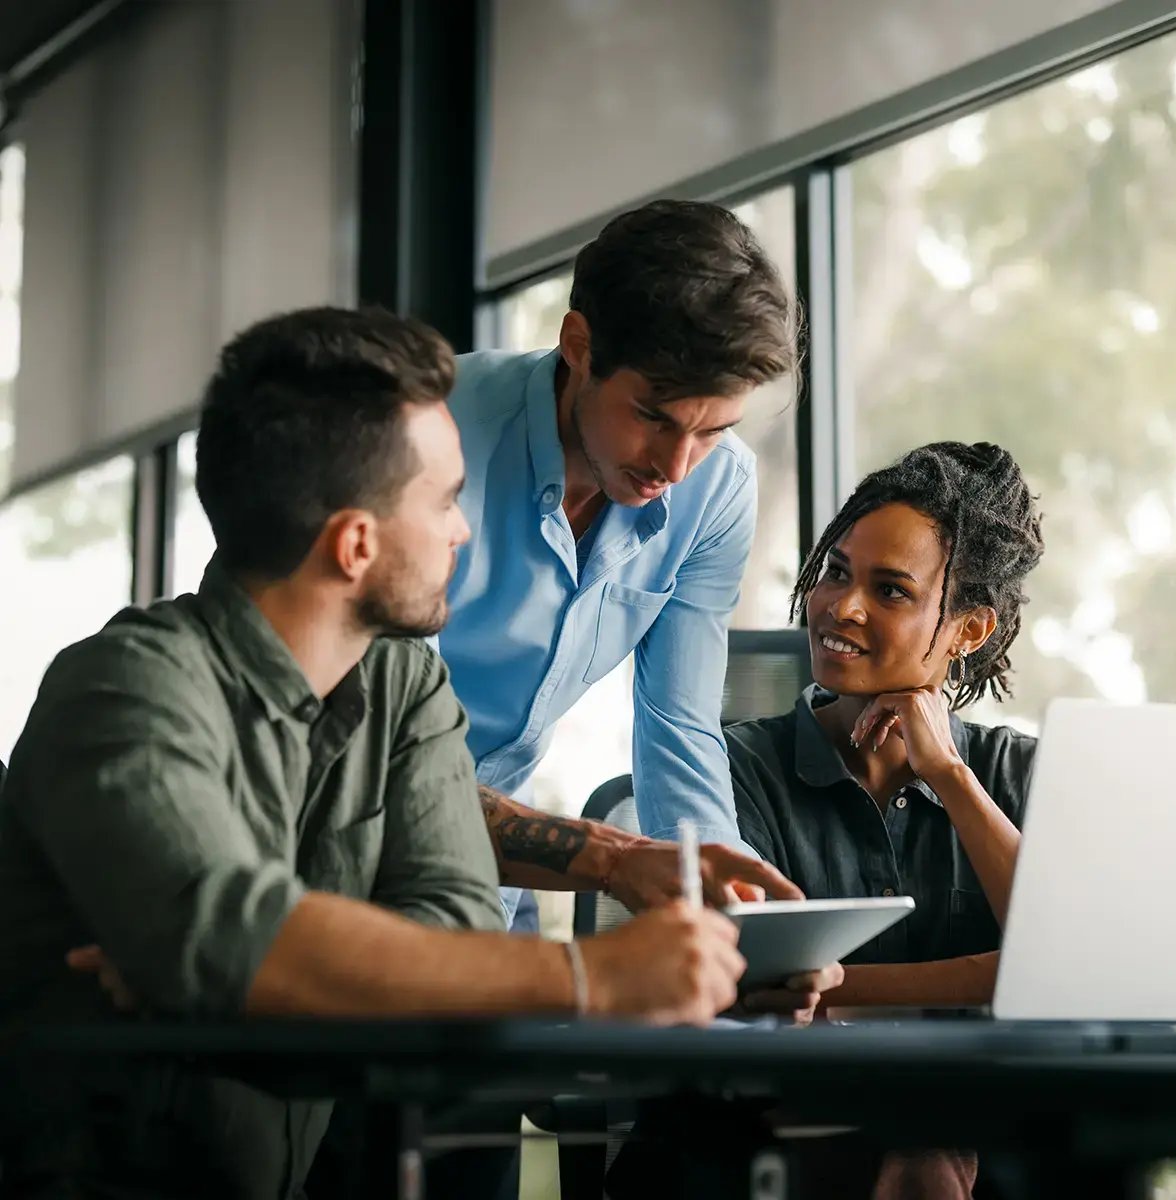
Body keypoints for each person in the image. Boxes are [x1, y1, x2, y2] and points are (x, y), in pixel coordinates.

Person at [0, 308, 838, 1200]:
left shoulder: (405, 689)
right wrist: (583, 975)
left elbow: (461, 937)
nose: (463, 532)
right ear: (355, 543)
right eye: (443, 501)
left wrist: (242, 980)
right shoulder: (122, 688)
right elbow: (259, 942)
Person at [440, 199, 801, 928]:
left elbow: (680, 728)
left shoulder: (718, 485)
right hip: (334, 845)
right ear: (579, 343)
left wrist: (730, 917)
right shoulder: (430, 434)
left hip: (495, 870)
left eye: (713, 430)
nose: (676, 464)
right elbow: (384, 751)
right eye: (654, 417)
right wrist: (610, 857)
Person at [728, 440, 1046, 1012]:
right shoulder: (739, 768)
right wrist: (994, 977)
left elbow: (1076, 967)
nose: (842, 607)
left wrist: (949, 775)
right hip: (801, 1102)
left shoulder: (1020, 775)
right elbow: (747, 988)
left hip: (991, 1103)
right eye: (837, 571)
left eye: (891, 590)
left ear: (968, 631)